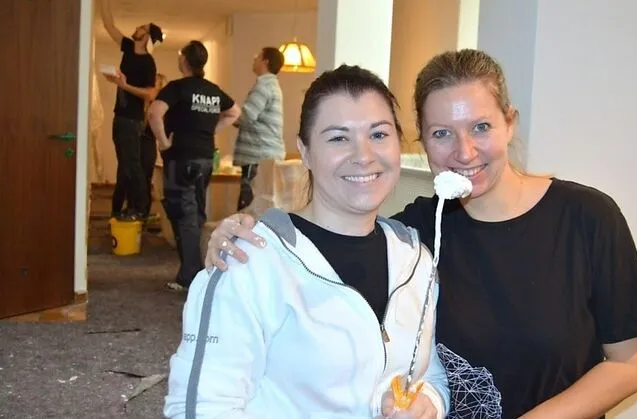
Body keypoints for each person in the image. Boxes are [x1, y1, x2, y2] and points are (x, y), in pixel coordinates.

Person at [204, 49, 637, 419]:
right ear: (421, 142)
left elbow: (633, 361)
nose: (464, 151)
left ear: (510, 123)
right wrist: (247, 231)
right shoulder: (416, 235)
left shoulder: (586, 218)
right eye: (442, 133)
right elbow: (329, 239)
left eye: (481, 127)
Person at [163, 65, 449, 418]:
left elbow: (431, 374)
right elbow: (201, 408)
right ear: (305, 151)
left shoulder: (416, 260)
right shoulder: (248, 260)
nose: (363, 155)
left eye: (378, 134)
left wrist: (429, 403)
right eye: (338, 138)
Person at [147, 41, 241, 291]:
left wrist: (163, 142)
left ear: (184, 61)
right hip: (205, 158)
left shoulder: (177, 88)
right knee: (195, 212)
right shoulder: (213, 90)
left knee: (183, 214)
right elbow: (234, 112)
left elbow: (154, 113)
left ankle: (191, 276)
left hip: (181, 157)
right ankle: (195, 270)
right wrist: (210, 130)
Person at [100, 0, 162, 220]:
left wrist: (124, 86)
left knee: (132, 165)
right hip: (120, 115)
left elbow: (151, 94)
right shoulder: (127, 47)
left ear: (146, 37)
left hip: (132, 119)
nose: (138, 27)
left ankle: (140, 208)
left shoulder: (148, 63)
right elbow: (109, 25)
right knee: (125, 165)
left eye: (142, 28)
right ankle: (126, 209)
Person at [232, 47, 286, 211]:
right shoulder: (273, 85)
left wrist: (229, 115)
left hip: (257, 153)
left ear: (265, 61)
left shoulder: (263, 86)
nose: (254, 59)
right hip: (268, 153)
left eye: (257, 56)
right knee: (262, 202)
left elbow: (247, 116)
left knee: (249, 203)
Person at [112, 73, 168, 219]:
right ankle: (124, 210)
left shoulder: (159, 107)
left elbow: (158, 127)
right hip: (135, 141)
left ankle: (141, 214)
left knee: (143, 178)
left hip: (147, 143)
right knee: (126, 175)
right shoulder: (137, 104)